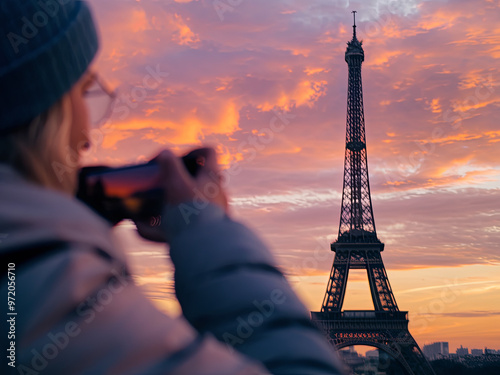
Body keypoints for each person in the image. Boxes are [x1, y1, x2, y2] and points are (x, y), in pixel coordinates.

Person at [0, 1, 345, 374]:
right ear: (41, 112)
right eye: (85, 91)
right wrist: (206, 229)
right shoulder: (50, 292)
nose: (87, 136)